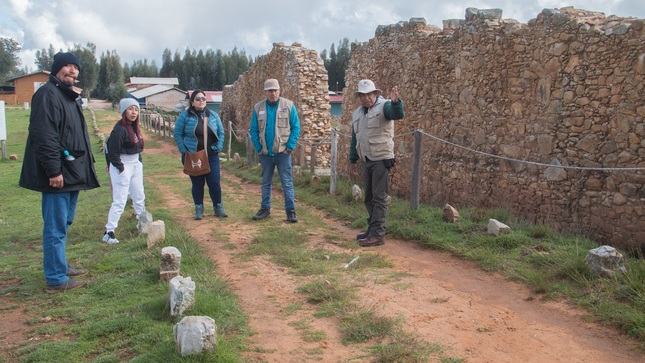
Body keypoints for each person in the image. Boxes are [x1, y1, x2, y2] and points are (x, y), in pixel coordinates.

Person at [19, 51, 100, 291]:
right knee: (55, 227)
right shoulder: (47, 94)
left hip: (72, 171)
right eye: (67, 66)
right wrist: (54, 171)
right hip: (59, 173)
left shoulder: (67, 96)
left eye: (75, 67)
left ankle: (60, 265)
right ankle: (55, 278)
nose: (72, 71)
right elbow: (44, 136)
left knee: (64, 222)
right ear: (56, 69)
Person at [349, 79, 405, 247]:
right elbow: (355, 138)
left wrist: (396, 103)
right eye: (363, 95)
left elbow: (396, 114)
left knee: (379, 198)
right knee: (369, 197)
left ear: (375, 94)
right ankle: (372, 229)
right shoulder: (357, 113)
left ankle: (378, 234)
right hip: (366, 160)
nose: (367, 98)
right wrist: (353, 160)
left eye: (369, 94)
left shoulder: (385, 106)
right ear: (359, 97)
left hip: (381, 159)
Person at [249, 79, 301, 223]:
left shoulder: (289, 105)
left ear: (279, 90)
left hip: (283, 153)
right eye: (270, 91)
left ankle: (290, 211)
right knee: (266, 182)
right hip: (266, 154)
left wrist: (289, 147)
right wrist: (259, 148)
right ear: (265, 92)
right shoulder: (258, 108)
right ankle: (265, 209)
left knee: (287, 183)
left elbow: (296, 127)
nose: (273, 93)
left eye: (275, 90)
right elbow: (253, 130)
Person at [174, 90, 228, 220]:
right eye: (198, 99)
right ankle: (199, 208)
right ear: (192, 101)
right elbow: (177, 133)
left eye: (203, 98)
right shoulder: (185, 116)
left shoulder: (213, 116)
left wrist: (219, 146)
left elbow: (221, 132)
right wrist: (183, 150)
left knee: (214, 182)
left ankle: (218, 207)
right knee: (197, 184)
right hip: (193, 155)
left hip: (211, 155)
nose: (201, 101)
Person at [102, 98, 146, 244]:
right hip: (122, 165)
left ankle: (143, 223)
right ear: (124, 111)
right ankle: (109, 231)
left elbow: (137, 148)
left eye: (136, 109)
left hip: (135, 164)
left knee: (139, 195)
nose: (134, 112)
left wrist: (138, 163)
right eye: (130, 109)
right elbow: (112, 152)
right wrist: (120, 168)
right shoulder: (119, 130)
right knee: (120, 199)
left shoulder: (135, 128)